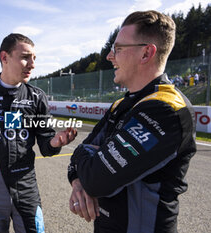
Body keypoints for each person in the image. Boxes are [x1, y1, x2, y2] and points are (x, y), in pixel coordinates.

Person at [68, 10, 196, 233]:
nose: (110, 56)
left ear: (146, 53)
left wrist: (83, 157)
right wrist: (78, 180)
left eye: (118, 49)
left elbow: (97, 178)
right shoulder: (122, 104)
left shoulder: (167, 109)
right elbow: (83, 167)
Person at [0, 33, 77, 232]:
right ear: (4, 57)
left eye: (34, 58)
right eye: (25, 57)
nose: (32, 64)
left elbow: (45, 144)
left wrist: (55, 142)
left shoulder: (37, 97)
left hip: (26, 191)